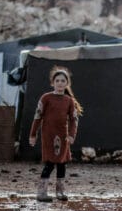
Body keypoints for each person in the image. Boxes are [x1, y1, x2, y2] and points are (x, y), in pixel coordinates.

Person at [29, 66, 83, 202]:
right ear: (52, 83)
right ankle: (41, 193)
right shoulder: (46, 98)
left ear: (67, 83)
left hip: (63, 137)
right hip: (48, 135)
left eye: (62, 81)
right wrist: (33, 135)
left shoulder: (69, 101)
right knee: (50, 163)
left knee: (62, 164)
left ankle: (60, 192)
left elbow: (74, 120)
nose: (60, 83)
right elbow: (37, 117)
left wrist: (71, 135)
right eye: (57, 80)